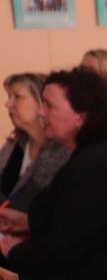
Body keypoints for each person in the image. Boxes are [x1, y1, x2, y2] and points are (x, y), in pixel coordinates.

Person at [0, 69, 107, 280]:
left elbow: (62, 249)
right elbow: (71, 219)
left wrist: (14, 250)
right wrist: (26, 221)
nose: (41, 113)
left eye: (49, 106)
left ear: (81, 117)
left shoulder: (94, 166)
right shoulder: (94, 153)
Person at [0, 72, 70, 212]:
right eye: (9, 97)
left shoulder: (64, 152)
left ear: (41, 102)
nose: (7, 104)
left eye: (17, 97)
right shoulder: (11, 146)